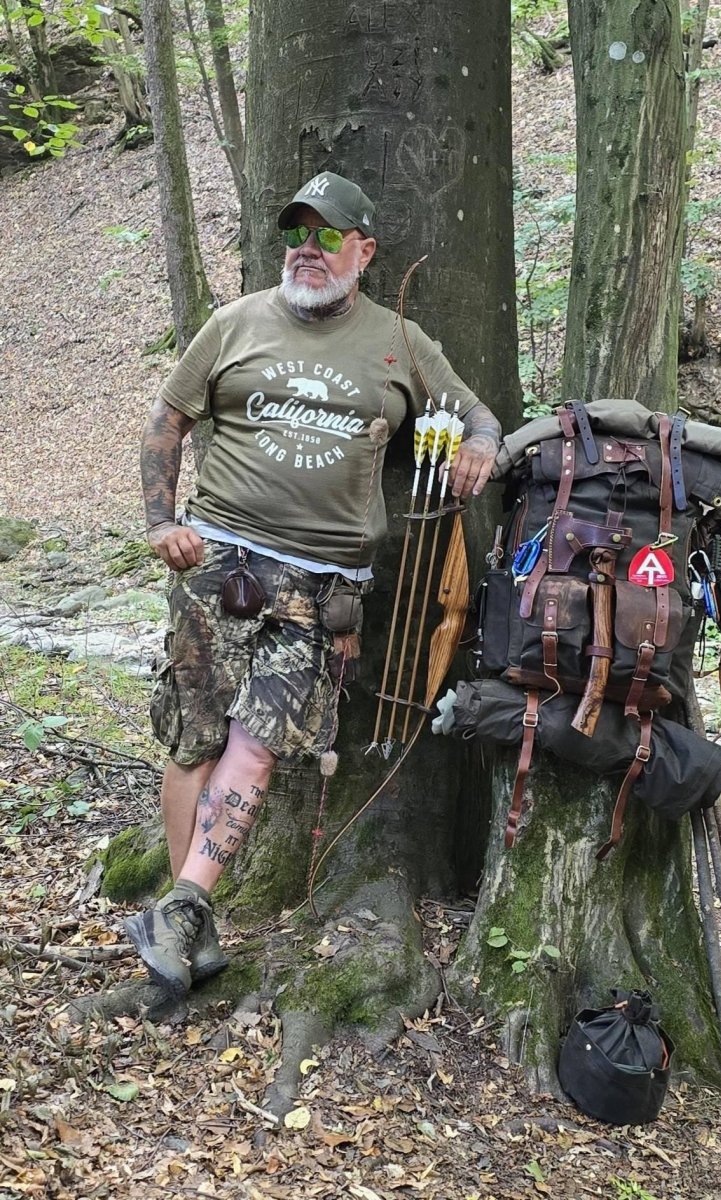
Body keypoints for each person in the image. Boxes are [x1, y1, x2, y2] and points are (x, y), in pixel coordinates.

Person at [124, 171, 501, 998]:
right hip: (217, 563)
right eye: (298, 232)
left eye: (329, 235)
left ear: (364, 250)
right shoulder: (234, 323)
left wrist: (478, 447)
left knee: (258, 745)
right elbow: (166, 423)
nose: (308, 248)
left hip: (322, 585)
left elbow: (479, 417)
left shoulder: (401, 341)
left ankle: (187, 905)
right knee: (195, 738)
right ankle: (179, 909)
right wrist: (160, 523)